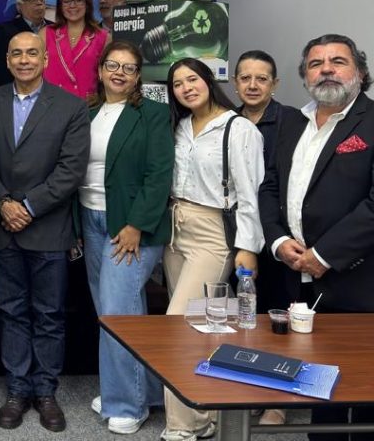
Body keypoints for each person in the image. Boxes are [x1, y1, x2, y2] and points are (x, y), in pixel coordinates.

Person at [259, 34, 374, 441]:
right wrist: (278, 241)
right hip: (297, 276)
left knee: (363, 392)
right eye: (315, 63)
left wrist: (323, 255)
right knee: (319, 390)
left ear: (359, 71)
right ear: (305, 75)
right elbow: (270, 186)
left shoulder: (371, 122)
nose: (326, 69)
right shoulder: (293, 122)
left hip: (358, 281)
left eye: (338, 61)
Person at [0, 31, 90, 433]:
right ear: (7, 60)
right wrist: (4, 202)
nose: (24, 60)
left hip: (49, 228)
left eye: (32, 53)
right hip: (4, 227)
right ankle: (17, 390)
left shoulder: (72, 107)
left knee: (49, 315)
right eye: (16, 54)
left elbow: (71, 170)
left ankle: (45, 392)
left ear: (45, 59)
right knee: (11, 312)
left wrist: (27, 207)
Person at [162, 58, 264, 441]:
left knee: (177, 325)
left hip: (213, 233)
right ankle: (208, 416)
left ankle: (181, 427)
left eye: (192, 79)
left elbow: (250, 194)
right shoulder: (180, 126)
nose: (186, 88)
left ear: (208, 80)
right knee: (204, 328)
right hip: (176, 230)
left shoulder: (238, 128)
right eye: (177, 84)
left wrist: (247, 247)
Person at [80, 42, 173, 435]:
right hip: (90, 219)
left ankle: (126, 404)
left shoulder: (153, 113)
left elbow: (159, 173)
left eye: (129, 68)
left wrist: (136, 224)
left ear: (138, 77)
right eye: (113, 65)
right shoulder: (88, 112)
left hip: (130, 225)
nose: (119, 72)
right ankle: (143, 390)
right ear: (101, 70)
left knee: (118, 313)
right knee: (112, 310)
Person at [233, 49, 295, 427]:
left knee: (278, 315)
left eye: (261, 78)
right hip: (241, 235)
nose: (253, 85)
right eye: (245, 78)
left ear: (275, 83)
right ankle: (251, 390)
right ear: (234, 82)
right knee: (246, 316)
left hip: (278, 235)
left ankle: (278, 399)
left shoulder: (293, 121)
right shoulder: (228, 120)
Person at [44, 0, 110, 99]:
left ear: (87, 4)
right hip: (50, 104)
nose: (72, 6)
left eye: (78, 1)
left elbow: (108, 78)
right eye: (67, 1)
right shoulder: (46, 33)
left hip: (87, 105)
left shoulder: (104, 37)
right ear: (60, 6)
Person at [0, 0, 52, 88]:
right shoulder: (5, 31)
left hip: (52, 91)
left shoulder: (55, 29)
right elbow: (0, 72)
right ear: (19, 6)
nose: (39, 3)